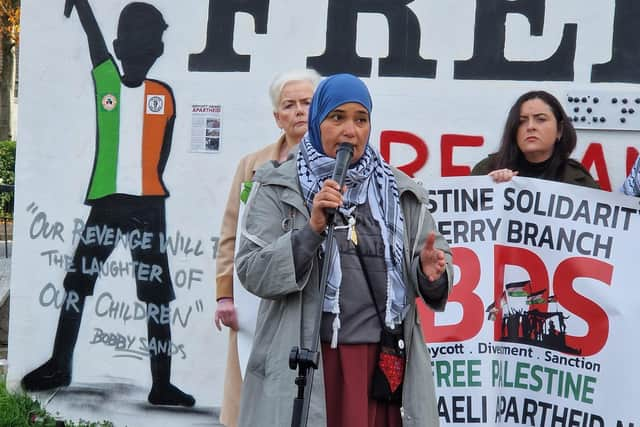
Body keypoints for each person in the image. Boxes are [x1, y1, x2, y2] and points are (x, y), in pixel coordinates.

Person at [234, 74, 453, 427]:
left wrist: (429, 274)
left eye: (360, 119)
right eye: (337, 118)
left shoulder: (400, 190)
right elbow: (252, 270)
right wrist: (312, 230)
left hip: (378, 364)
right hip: (308, 360)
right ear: (317, 121)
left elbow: (433, 259)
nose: (350, 131)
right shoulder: (277, 185)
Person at [21, 0, 194, 407]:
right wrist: (82, 6)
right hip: (113, 203)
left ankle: (160, 382)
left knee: (153, 293)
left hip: (146, 203)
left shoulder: (160, 96)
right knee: (81, 280)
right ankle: (62, 364)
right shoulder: (109, 83)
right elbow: (94, 41)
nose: (145, 50)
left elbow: (161, 154)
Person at [214, 69, 320, 427]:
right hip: (254, 297)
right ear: (277, 117)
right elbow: (233, 232)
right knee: (250, 390)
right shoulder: (253, 165)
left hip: (309, 295)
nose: (299, 111)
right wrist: (224, 295)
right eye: (289, 105)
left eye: (307, 103)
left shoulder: (340, 162)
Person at [471, 90, 600, 188]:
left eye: (541, 119)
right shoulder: (487, 169)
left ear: (559, 130)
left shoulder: (578, 180)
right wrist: (486, 187)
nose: (530, 127)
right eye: (522, 121)